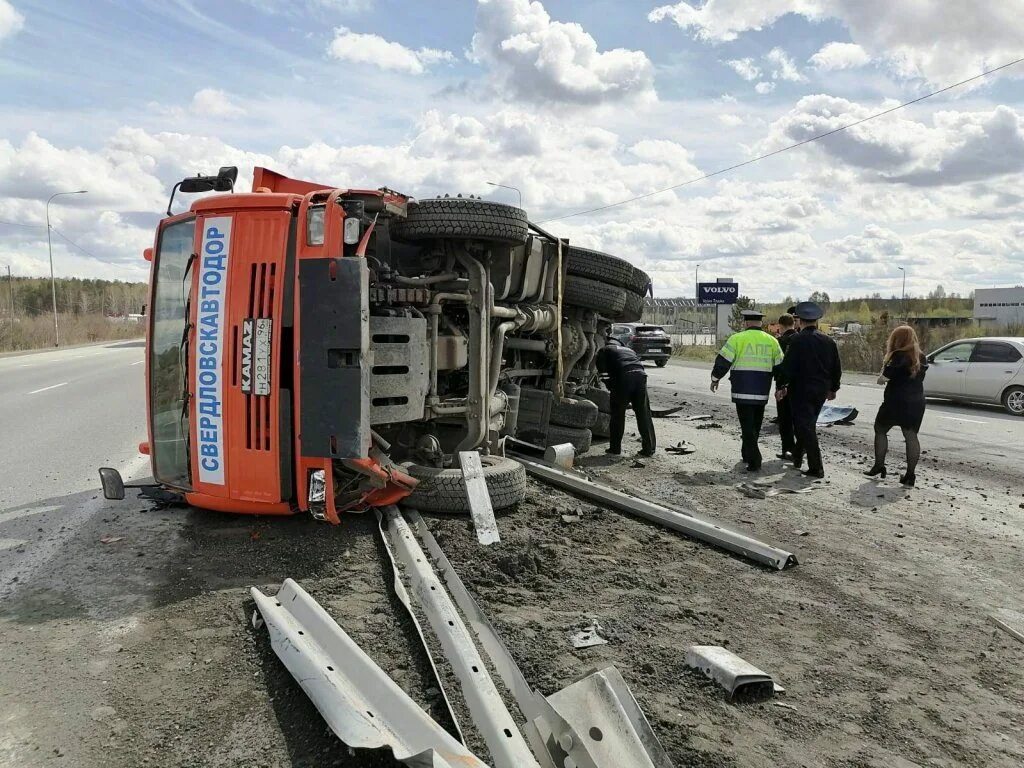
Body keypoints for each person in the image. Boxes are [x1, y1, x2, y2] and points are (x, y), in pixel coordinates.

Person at [710, 309, 784, 471]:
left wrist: (715, 378)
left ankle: (754, 460)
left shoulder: (737, 339)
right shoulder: (772, 341)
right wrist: (781, 386)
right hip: (762, 391)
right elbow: (780, 367)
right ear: (760, 323)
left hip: (742, 391)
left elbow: (723, 362)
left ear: (746, 323)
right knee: (755, 425)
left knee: (747, 426)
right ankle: (746, 453)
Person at [776, 301, 842, 479]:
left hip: (801, 390)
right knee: (808, 424)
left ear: (800, 321)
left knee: (804, 426)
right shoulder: (828, 341)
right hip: (821, 390)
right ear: (816, 321)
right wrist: (834, 387)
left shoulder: (796, 340)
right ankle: (797, 456)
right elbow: (836, 366)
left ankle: (816, 467)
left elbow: (788, 366)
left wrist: (781, 385)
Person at [864, 325, 928, 487]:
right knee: (911, 437)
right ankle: (910, 475)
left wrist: (881, 377)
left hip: (895, 401)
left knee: (880, 430)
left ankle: (879, 465)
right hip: (916, 402)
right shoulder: (920, 356)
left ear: (896, 339)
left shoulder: (897, 356)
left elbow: (884, 378)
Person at [596, 329, 656, 457]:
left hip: (623, 378)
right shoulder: (629, 350)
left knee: (618, 414)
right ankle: (649, 449)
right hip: (641, 377)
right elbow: (637, 365)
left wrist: (612, 388)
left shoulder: (604, 351)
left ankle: (615, 449)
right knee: (643, 413)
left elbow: (603, 374)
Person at [775, 313, 798, 460]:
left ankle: (787, 449)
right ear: (793, 324)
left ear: (781, 326)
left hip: (783, 384)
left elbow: (779, 365)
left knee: (784, 419)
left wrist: (780, 385)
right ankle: (799, 449)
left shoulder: (780, 341)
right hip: (799, 385)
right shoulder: (800, 339)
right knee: (797, 419)